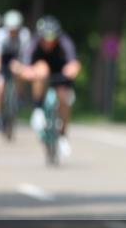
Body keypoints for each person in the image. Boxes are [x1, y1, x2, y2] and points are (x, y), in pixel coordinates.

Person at [11, 16, 80, 160]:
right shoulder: (33, 43)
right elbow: (23, 66)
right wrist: (27, 72)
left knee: (64, 99)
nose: (49, 41)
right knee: (41, 69)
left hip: (60, 74)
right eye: (45, 38)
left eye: (52, 37)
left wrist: (72, 69)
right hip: (41, 74)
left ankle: (63, 135)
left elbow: (74, 63)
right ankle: (37, 110)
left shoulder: (64, 42)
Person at [0, 10, 32, 131]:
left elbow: (27, 55)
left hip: (17, 60)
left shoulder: (24, 35)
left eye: (15, 29)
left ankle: (19, 95)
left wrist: (23, 68)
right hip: (2, 61)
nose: (13, 32)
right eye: (10, 29)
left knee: (20, 73)